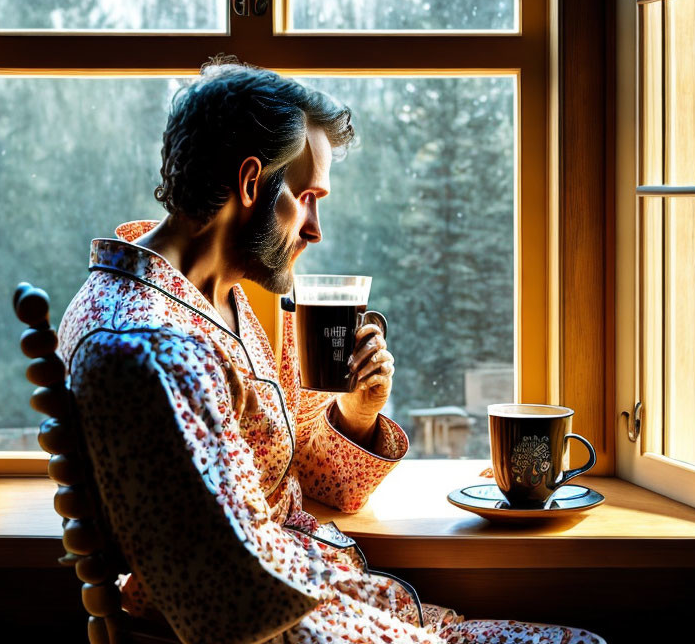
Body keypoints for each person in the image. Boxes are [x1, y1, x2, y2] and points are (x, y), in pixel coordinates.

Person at [56, 55, 605, 644]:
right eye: (308, 195)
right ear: (249, 183)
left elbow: (304, 484)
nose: (316, 228)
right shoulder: (150, 349)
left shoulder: (211, 303)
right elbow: (238, 597)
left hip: (332, 596)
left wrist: (359, 414)